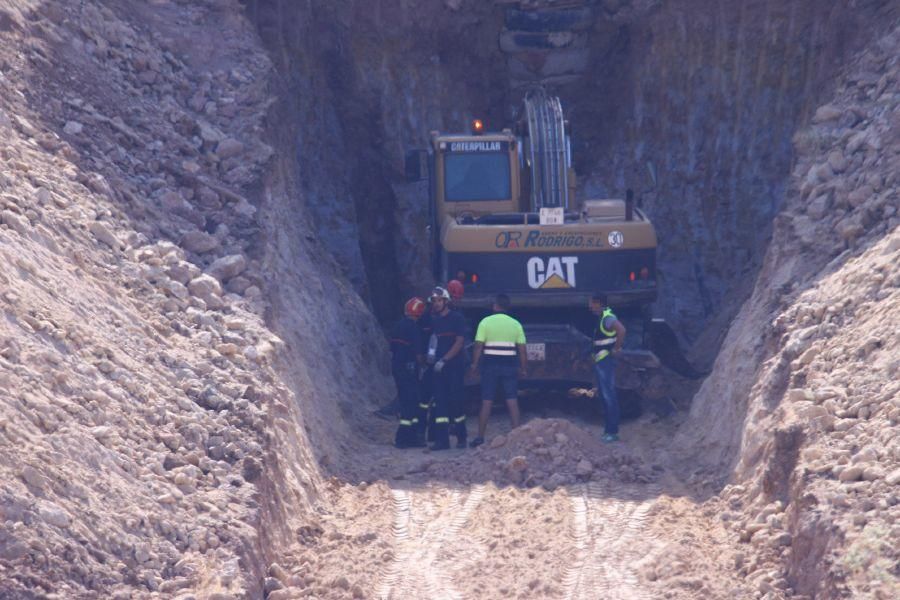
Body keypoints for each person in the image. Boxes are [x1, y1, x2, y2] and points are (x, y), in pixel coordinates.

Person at [468, 294, 526, 448]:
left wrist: (474, 364)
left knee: (486, 401)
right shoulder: (516, 324)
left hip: (490, 366)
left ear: (495, 306)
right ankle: (516, 437)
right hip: (509, 365)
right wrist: (523, 368)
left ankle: (480, 437)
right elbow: (522, 350)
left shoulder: (485, 322)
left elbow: (478, 346)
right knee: (512, 400)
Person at [428, 286, 467, 450]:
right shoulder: (434, 320)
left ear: (446, 301)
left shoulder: (457, 318)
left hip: (454, 366)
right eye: (434, 301)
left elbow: (459, 342)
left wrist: (445, 359)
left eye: (438, 300)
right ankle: (442, 441)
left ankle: (461, 438)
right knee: (440, 403)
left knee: (456, 401)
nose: (436, 304)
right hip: (439, 368)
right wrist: (431, 356)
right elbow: (434, 340)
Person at [390, 297, 426, 448]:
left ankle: (411, 436)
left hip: (397, 367)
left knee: (407, 400)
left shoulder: (398, 326)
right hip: (409, 368)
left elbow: (392, 349)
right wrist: (425, 364)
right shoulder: (414, 328)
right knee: (411, 402)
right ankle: (402, 438)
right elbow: (418, 354)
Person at [589, 293, 626, 442]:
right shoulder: (604, 317)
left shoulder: (608, 318)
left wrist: (617, 348)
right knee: (605, 395)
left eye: (591, 303)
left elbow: (621, 330)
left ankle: (612, 431)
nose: (589, 306)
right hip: (602, 360)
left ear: (598, 303)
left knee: (608, 395)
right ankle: (609, 430)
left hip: (606, 361)